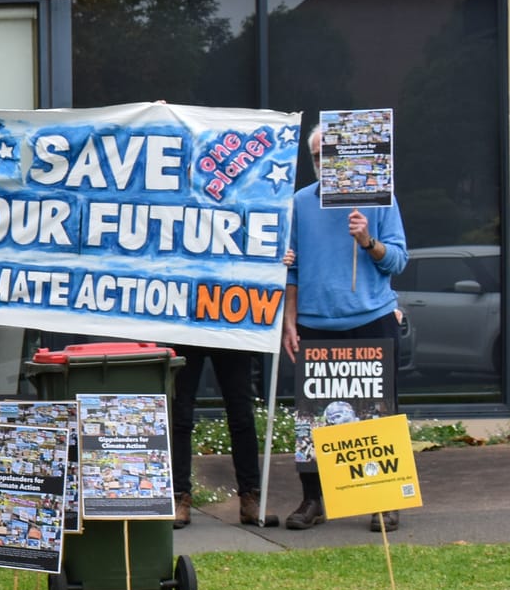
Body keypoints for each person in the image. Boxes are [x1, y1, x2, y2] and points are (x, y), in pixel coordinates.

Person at [282, 130, 410, 531]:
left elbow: (398, 261)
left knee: (377, 416)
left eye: (331, 156)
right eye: (318, 157)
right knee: (313, 419)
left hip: (371, 318)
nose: (325, 164)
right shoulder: (301, 202)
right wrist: (289, 320)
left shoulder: (380, 199)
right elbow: (293, 269)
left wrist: (368, 241)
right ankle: (312, 500)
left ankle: (384, 501)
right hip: (315, 323)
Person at [169, 346, 265, 528]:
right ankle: (179, 496)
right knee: (180, 416)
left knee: (242, 415)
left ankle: (250, 498)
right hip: (188, 331)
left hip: (230, 331)